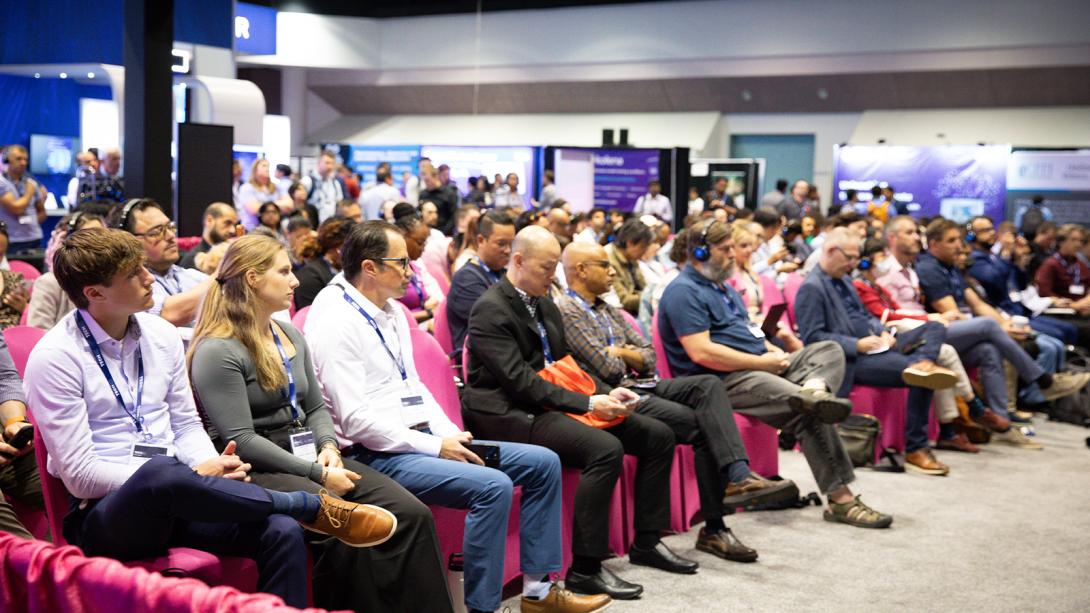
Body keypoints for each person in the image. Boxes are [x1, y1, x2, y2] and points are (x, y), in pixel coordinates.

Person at [25, 228, 396, 608]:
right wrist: (188, 476)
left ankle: (288, 518)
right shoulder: (55, 357)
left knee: (281, 531)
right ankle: (306, 505)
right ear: (95, 293)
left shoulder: (160, 335)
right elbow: (81, 476)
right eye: (132, 274)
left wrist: (206, 464)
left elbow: (186, 424)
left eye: (143, 267)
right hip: (109, 514)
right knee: (158, 472)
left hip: (183, 496)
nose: (148, 277)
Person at [304, 223, 608, 613]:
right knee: (493, 486)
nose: (413, 272)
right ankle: (483, 607)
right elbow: (355, 421)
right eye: (403, 263)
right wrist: (436, 446)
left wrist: (450, 434)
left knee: (542, 463)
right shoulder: (335, 320)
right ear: (370, 267)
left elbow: (412, 385)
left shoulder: (391, 310)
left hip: (419, 439)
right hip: (373, 454)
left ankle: (538, 593)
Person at [189, 234, 454, 613]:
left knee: (412, 514)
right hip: (260, 465)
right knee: (342, 528)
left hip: (312, 453)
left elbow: (315, 407)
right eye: (284, 271)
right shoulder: (218, 349)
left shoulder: (289, 333)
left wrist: (329, 448)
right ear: (252, 279)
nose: (295, 280)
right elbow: (241, 439)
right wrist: (317, 471)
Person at [464, 226, 694, 600]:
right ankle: (585, 568)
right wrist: (588, 404)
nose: (553, 275)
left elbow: (566, 366)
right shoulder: (491, 309)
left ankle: (647, 541)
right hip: (510, 413)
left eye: (555, 266)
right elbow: (522, 383)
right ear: (518, 261)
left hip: (549, 403)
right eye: (546, 267)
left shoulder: (544, 303)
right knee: (604, 449)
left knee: (657, 435)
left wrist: (606, 392)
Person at [560, 240, 792, 561]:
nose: (612, 270)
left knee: (708, 386)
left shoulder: (608, 309)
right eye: (604, 265)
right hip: (617, 393)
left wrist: (625, 353)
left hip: (646, 382)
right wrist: (629, 355)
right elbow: (608, 367)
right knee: (702, 426)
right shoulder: (567, 310)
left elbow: (649, 355)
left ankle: (738, 475)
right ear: (581, 270)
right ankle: (712, 527)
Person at [658, 219, 892, 529]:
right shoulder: (683, 291)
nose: (733, 255)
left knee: (828, 350)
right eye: (725, 249)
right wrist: (762, 363)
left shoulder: (722, 287)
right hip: (722, 379)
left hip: (757, 364)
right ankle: (841, 500)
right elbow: (702, 353)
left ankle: (815, 389)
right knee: (807, 411)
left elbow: (747, 330)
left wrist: (770, 350)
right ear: (700, 252)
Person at [895, 217, 1079, 447]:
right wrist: (996, 326)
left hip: (960, 329)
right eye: (951, 241)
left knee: (989, 349)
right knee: (989, 328)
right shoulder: (929, 267)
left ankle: (1002, 421)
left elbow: (979, 305)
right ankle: (1042, 379)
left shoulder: (950, 268)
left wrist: (1004, 324)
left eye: (959, 240)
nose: (959, 246)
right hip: (936, 332)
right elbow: (950, 311)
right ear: (934, 244)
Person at [795, 228, 959, 475]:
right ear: (830, 251)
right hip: (850, 359)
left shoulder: (846, 280)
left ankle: (922, 362)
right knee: (922, 378)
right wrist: (857, 345)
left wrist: (883, 333)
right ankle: (916, 447)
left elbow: (863, 317)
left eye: (855, 258)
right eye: (849, 257)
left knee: (935, 327)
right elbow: (813, 340)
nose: (853, 264)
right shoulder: (812, 287)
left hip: (877, 346)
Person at [853, 238, 995, 452]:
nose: (886, 261)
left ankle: (952, 422)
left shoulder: (878, 286)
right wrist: (928, 319)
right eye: (881, 257)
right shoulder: (858, 285)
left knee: (940, 343)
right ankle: (963, 413)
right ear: (866, 262)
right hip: (887, 334)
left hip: (891, 332)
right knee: (942, 351)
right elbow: (884, 315)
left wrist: (930, 318)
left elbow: (892, 310)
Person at [965, 216, 1082, 347]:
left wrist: (1019, 260)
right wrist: (1008, 254)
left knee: (1069, 330)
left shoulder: (994, 257)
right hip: (1005, 314)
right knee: (1057, 336)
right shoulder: (974, 259)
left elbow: (1020, 285)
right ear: (972, 235)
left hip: (1020, 310)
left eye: (992, 229)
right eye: (985, 230)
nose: (992, 233)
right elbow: (995, 280)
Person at [111, 199, 214, 333]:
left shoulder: (192, 276)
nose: (171, 236)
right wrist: (226, 269)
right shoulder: (130, 287)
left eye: (170, 227)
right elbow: (171, 313)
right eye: (156, 232)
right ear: (128, 241)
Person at [447, 210, 516, 357]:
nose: (508, 251)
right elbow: (496, 324)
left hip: (504, 352)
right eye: (501, 244)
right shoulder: (466, 280)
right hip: (482, 362)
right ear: (480, 240)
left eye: (511, 244)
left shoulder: (503, 273)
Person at [28, 212, 106, 329]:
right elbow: (38, 332)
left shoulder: (111, 280)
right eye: (89, 237)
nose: (99, 244)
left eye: (102, 237)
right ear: (68, 244)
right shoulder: (48, 283)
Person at [0, 330, 42, 539]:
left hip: (5, 444)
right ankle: (40, 567)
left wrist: (15, 421)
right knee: (17, 542)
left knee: (71, 484)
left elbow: (4, 378)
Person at [293, 217, 356, 311]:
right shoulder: (310, 276)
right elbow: (307, 317)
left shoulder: (350, 271)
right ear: (339, 247)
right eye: (355, 246)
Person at [392, 213, 443, 327]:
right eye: (420, 242)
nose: (424, 247)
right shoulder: (391, 269)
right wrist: (429, 313)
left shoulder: (415, 264)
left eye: (425, 242)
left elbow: (433, 290)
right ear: (402, 237)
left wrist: (433, 300)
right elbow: (392, 317)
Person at [0, 145, 47, 255]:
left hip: (33, 239)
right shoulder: (2, 182)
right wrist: (29, 192)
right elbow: (16, 209)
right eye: (18, 159)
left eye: (25, 159)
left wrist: (31, 222)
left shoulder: (31, 182)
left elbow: (42, 212)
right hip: (12, 240)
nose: (23, 163)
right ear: (7, 159)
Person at [608, 219, 652, 315]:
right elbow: (624, 300)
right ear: (630, 243)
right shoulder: (610, 262)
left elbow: (644, 287)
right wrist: (650, 298)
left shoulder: (632, 259)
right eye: (643, 247)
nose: (645, 251)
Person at [179, 202, 238, 270]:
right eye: (227, 223)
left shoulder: (231, 254)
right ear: (209, 220)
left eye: (234, 225)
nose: (233, 230)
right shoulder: (191, 261)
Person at [237, 159, 292, 230]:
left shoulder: (276, 187)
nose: (267, 169)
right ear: (255, 169)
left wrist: (264, 205)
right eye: (264, 166)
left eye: (268, 166)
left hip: (274, 229)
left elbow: (289, 205)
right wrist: (278, 205)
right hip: (252, 230)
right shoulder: (246, 187)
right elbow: (254, 209)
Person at [301, 151, 347, 223]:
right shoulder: (307, 181)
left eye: (332, 163)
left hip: (330, 225)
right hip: (311, 224)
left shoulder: (335, 183)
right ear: (319, 163)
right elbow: (299, 204)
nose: (330, 167)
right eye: (327, 163)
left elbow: (340, 204)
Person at [419, 167, 460, 234]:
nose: (426, 183)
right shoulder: (423, 194)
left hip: (445, 233)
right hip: (426, 233)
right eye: (424, 181)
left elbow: (454, 216)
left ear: (436, 177)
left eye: (428, 180)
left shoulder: (449, 194)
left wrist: (443, 233)